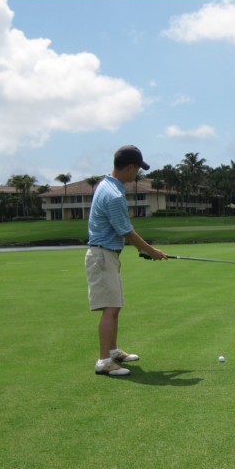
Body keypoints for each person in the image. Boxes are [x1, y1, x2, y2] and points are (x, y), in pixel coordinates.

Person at [85, 145, 168, 376]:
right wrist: (151, 250)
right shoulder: (114, 195)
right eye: (137, 170)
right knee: (110, 308)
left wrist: (146, 250)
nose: (137, 175)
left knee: (115, 305)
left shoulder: (107, 184)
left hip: (107, 254)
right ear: (130, 167)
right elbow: (127, 232)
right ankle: (104, 361)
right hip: (102, 255)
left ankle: (112, 352)